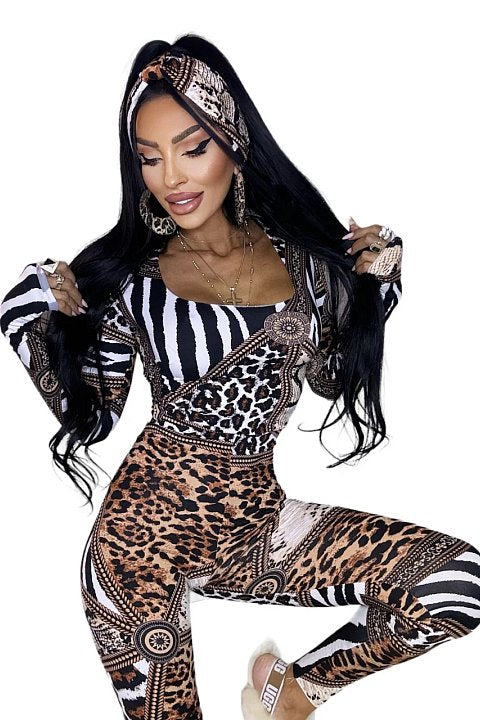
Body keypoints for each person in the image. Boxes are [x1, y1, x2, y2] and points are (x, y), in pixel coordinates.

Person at [1, 35, 479, 720]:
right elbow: (93, 415)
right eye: (149, 157)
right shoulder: (133, 283)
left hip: (258, 528)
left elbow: (329, 377)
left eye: (192, 148)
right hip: (138, 549)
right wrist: (28, 308)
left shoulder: (308, 267)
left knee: (453, 583)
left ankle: (294, 692)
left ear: (233, 142)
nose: (171, 177)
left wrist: (376, 287)